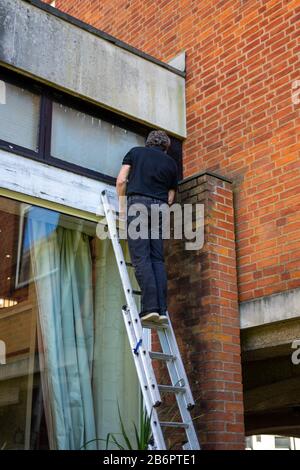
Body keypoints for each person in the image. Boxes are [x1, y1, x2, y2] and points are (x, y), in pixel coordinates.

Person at [116, 130, 178, 324]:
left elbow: (121, 181)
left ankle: (150, 308)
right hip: (160, 207)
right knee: (157, 259)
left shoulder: (135, 152)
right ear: (165, 147)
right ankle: (160, 309)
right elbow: (170, 197)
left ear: (148, 142)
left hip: (138, 204)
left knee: (141, 256)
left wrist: (122, 206)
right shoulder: (171, 164)